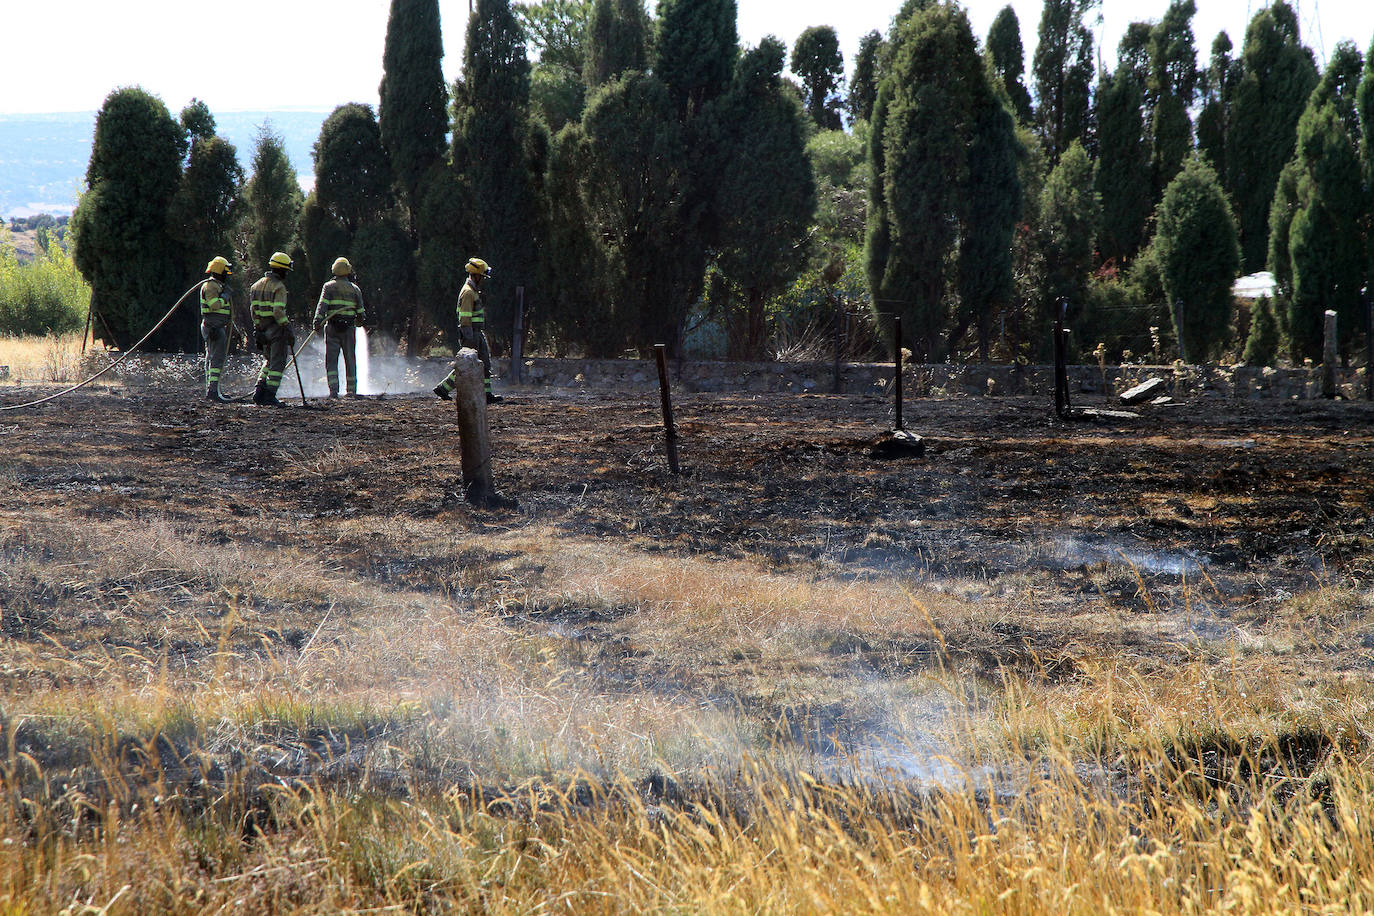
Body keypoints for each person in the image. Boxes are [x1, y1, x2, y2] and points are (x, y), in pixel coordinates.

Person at [433, 257, 502, 404]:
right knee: (467, 365)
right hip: (471, 333)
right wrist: (469, 337)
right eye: (482, 277)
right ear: (475, 275)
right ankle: (443, 388)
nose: (483, 280)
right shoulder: (469, 292)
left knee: (484, 363)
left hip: (476, 332)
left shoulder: (473, 291)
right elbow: (464, 317)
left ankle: (487, 394)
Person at [312, 257, 367, 398]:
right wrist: (359, 322)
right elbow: (361, 312)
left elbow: (322, 306)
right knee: (350, 359)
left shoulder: (328, 286)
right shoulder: (355, 289)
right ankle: (352, 391)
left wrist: (317, 322)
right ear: (348, 270)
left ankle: (333, 391)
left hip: (332, 328)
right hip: (349, 328)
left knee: (331, 360)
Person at [250, 251, 295, 407]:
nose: (287, 274)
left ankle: (259, 391)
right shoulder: (279, 287)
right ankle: (270, 395)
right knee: (277, 364)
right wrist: (287, 326)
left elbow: (253, 310)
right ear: (281, 270)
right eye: (286, 271)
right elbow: (277, 311)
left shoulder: (256, 285)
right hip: (276, 330)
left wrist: (257, 328)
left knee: (268, 361)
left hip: (262, 329)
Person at [200, 255, 234, 402]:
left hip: (217, 326)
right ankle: (213, 391)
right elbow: (214, 305)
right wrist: (225, 296)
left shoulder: (217, 286)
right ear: (220, 271)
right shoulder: (210, 286)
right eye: (225, 272)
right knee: (216, 360)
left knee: (213, 359)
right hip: (213, 327)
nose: (227, 275)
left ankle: (214, 389)